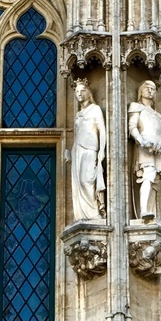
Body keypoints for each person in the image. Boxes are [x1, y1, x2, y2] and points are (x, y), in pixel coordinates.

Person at [128, 79, 161, 222]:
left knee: (155, 181)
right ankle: (144, 211)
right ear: (141, 91)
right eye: (147, 88)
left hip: (158, 150)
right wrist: (141, 140)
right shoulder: (136, 108)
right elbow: (132, 127)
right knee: (147, 176)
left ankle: (150, 211)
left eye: (153, 88)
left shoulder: (157, 115)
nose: (150, 90)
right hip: (145, 148)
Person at [71, 80, 106, 220]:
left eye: (81, 91)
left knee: (87, 180)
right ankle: (81, 215)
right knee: (79, 182)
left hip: (90, 149)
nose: (79, 94)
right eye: (77, 92)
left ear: (88, 92)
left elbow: (102, 131)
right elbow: (75, 135)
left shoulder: (95, 109)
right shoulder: (78, 114)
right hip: (78, 150)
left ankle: (93, 213)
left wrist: (102, 150)